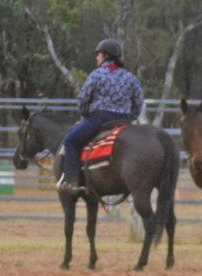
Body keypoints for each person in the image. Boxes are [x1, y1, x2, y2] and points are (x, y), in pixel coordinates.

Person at [60, 38, 144, 191]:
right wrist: (131, 117)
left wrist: (85, 114)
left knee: (70, 141)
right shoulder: (130, 77)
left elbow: (83, 99)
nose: (96, 57)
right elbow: (138, 102)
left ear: (105, 55)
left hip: (100, 119)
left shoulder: (96, 75)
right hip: (124, 121)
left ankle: (72, 181)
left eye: (98, 54)